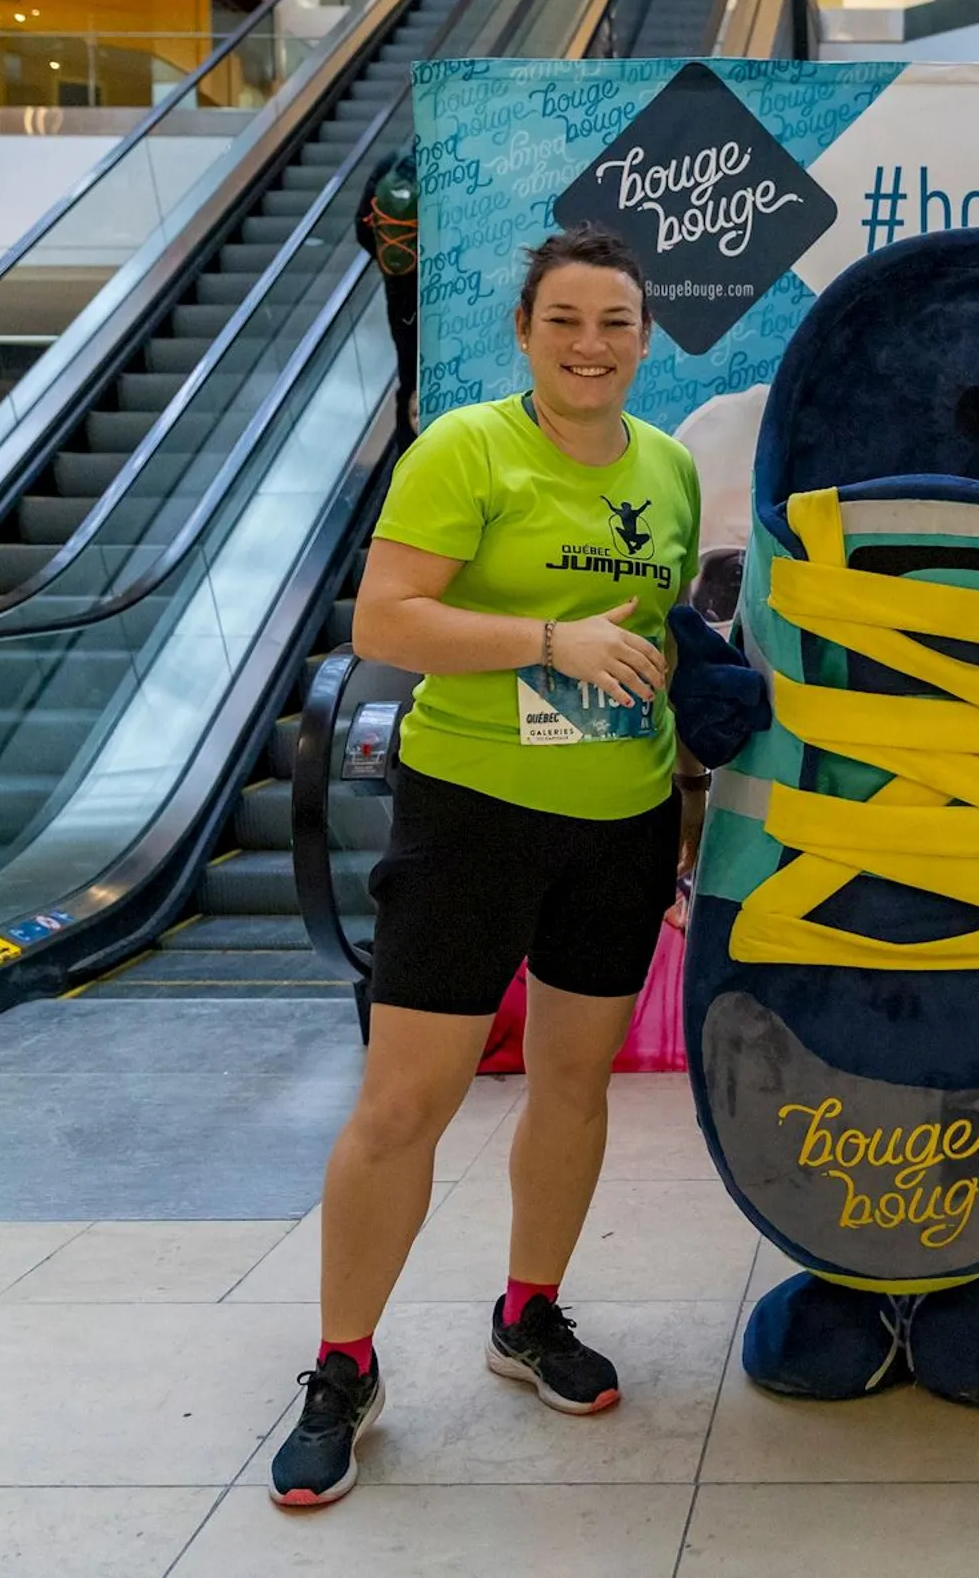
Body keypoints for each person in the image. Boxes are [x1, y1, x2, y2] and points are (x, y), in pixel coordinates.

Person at [269, 224, 707, 1508]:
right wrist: (544, 640)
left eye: (616, 321)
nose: (591, 344)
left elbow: (663, 638)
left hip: (620, 821)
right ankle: (343, 1364)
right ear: (525, 332)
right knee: (405, 1105)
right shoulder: (465, 447)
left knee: (575, 1086)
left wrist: (679, 789)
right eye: (566, 319)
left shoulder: (673, 469)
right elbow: (387, 619)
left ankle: (530, 1314)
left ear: (644, 335)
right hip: (468, 816)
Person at [354, 143, 420, 443]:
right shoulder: (461, 168)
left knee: (411, 379)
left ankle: (408, 462)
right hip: (457, 298)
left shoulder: (393, 162)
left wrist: (397, 270)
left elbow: (362, 227)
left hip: (404, 298)